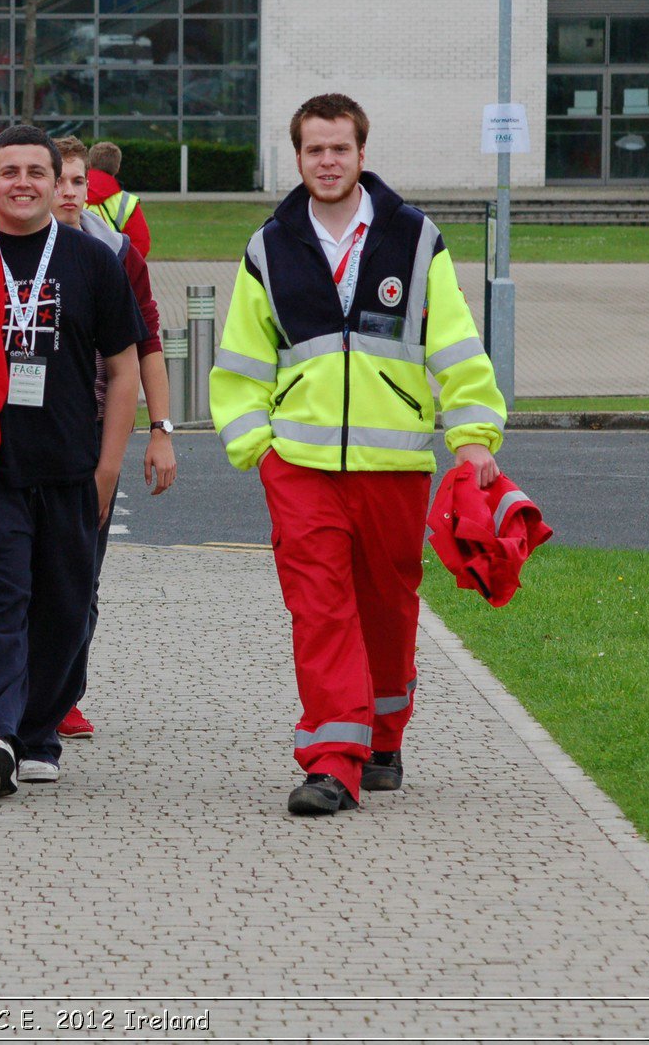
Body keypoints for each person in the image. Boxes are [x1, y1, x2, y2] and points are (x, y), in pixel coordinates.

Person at [210, 94, 506, 816]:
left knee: (387, 607)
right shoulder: (269, 248)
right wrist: (258, 448)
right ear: (298, 156)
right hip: (301, 468)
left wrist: (473, 440)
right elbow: (242, 365)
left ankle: (383, 735)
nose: (328, 161)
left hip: (396, 466)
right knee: (319, 610)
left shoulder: (415, 239)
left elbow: (459, 350)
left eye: (340, 148)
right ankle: (331, 761)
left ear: (362, 153)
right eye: (315, 150)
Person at [0, 126, 142, 797]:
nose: (23, 182)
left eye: (35, 172)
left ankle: (38, 730)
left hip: (71, 468)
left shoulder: (91, 260)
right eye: (8, 171)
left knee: (66, 608)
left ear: (57, 182)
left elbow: (124, 369)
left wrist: (107, 469)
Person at [48, 135, 176, 741]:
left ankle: (63, 693)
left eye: (79, 183)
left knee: (80, 573)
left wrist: (160, 430)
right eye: (60, 181)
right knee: (15, 572)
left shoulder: (116, 253)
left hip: (93, 434)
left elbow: (147, 345)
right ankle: (15, 693)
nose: (69, 194)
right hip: (17, 432)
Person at [86, 141, 152, 258]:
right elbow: (141, 243)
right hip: (113, 267)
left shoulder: (70, 194)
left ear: (89, 164)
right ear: (117, 168)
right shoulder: (127, 202)